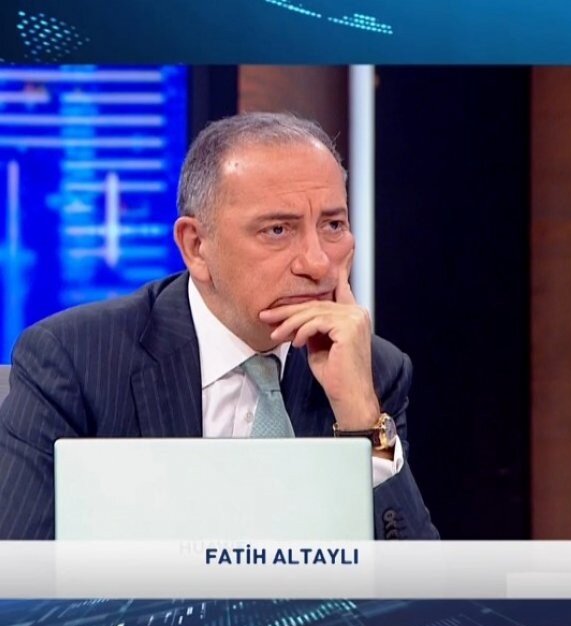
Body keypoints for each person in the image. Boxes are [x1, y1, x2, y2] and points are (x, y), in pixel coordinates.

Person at [0, 112, 437, 540]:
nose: (318, 262)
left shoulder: (372, 370)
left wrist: (362, 417)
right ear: (196, 246)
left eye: (333, 225)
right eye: (278, 230)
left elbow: (413, 580)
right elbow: (19, 571)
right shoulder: (75, 362)